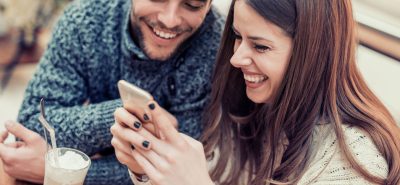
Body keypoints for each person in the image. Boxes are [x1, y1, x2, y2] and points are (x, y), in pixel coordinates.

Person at [111, 0, 400, 184]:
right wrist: (146, 168)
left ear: (313, 54)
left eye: (260, 46)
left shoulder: (358, 162)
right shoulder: (251, 107)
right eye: (238, 37)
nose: (236, 59)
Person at [0, 0, 225, 184]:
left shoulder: (217, 47)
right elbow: (30, 128)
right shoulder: (85, 20)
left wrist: (62, 172)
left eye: (192, 5)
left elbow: (181, 170)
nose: (169, 19)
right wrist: (123, 113)